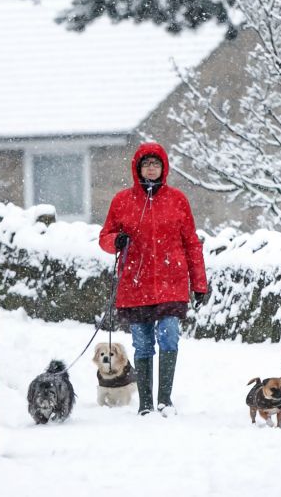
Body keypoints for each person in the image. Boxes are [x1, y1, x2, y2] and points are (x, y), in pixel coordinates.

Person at [99, 142, 208, 416]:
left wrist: (199, 283)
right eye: (146, 164)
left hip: (172, 281)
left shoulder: (178, 200)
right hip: (136, 284)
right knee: (143, 341)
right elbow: (105, 238)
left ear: (164, 168)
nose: (151, 168)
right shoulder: (122, 201)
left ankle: (164, 400)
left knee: (169, 336)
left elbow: (192, 243)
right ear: (137, 168)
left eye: (155, 164)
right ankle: (145, 403)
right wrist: (116, 240)